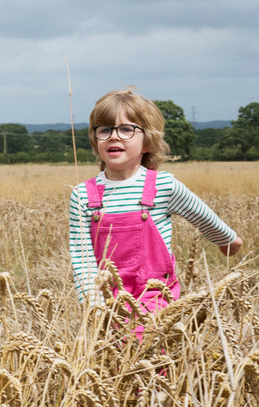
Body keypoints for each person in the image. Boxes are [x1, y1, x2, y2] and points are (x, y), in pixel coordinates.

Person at [69, 87, 242, 337]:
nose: (113, 137)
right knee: (109, 359)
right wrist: (93, 307)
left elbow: (202, 217)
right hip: (106, 295)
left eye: (126, 129)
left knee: (144, 342)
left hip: (154, 291)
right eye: (104, 130)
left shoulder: (163, 186)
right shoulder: (83, 195)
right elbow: (82, 258)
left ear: (148, 141)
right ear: (95, 140)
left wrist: (228, 240)